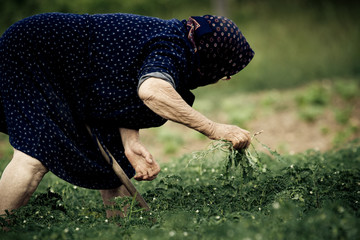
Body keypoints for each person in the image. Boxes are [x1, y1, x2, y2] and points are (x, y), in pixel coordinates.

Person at [0, 13, 254, 217]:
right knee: (34, 155)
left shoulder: (177, 40)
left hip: (60, 64)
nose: (226, 77)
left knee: (115, 158)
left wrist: (130, 142)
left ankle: (124, 228)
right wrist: (214, 129)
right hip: (33, 52)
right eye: (227, 69)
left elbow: (123, 84)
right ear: (213, 57)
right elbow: (152, 90)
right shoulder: (173, 49)